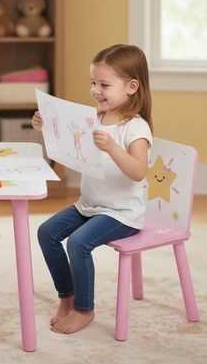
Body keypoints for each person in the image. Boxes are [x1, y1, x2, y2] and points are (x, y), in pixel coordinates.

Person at [32, 44, 153, 334]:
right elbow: (72, 147)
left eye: (104, 85)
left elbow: (139, 171)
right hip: (90, 205)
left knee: (78, 243)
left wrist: (112, 147)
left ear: (132, 86)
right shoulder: (95, 119)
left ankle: (85, 310)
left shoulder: (135, 128)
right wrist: (46, 125)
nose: (96, 90)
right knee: (46, 232)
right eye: (93, 83)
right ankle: (68, 296)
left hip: (121, 213)